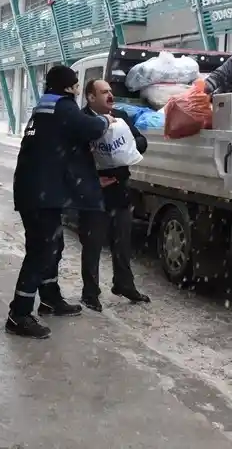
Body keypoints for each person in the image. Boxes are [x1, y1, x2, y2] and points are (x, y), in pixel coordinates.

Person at [6, 65, 115, 339]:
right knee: (41, 249)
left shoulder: (44, 108)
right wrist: (106, 121)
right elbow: (89, 127)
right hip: (41, 193)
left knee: (52, 244)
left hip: (36, 190)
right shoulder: (63, 108)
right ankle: (18, 313)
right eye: (76, 85)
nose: (78, 89)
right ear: (71, 87)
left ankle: (49, 297)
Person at [79, 79, 150, 311]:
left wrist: (129, 147)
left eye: (110, 91)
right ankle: (90, 293)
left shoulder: (121, 117)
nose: (110, 95)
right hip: (94, 192)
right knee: (93, 244)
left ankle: (124, 284)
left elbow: (141, 141)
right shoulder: (82, 121)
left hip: (119, 189)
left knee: (122, 241)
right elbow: (71, 158)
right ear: (91, 97)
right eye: (104, 92)